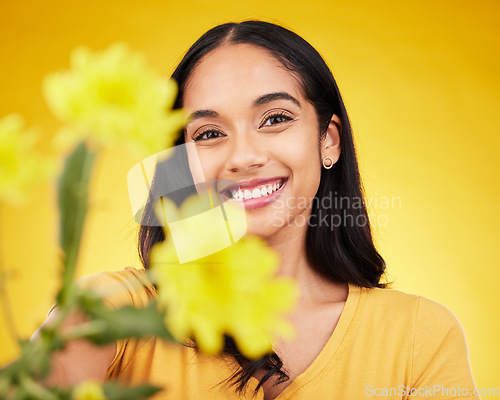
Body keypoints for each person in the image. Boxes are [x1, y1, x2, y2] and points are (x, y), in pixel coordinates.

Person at [33, 20, 479, 399]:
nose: (243, 157)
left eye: (275, 119)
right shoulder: (108, 314)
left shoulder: (421, 337)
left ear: (329, 140)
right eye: (208, 133)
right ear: (178, 162)